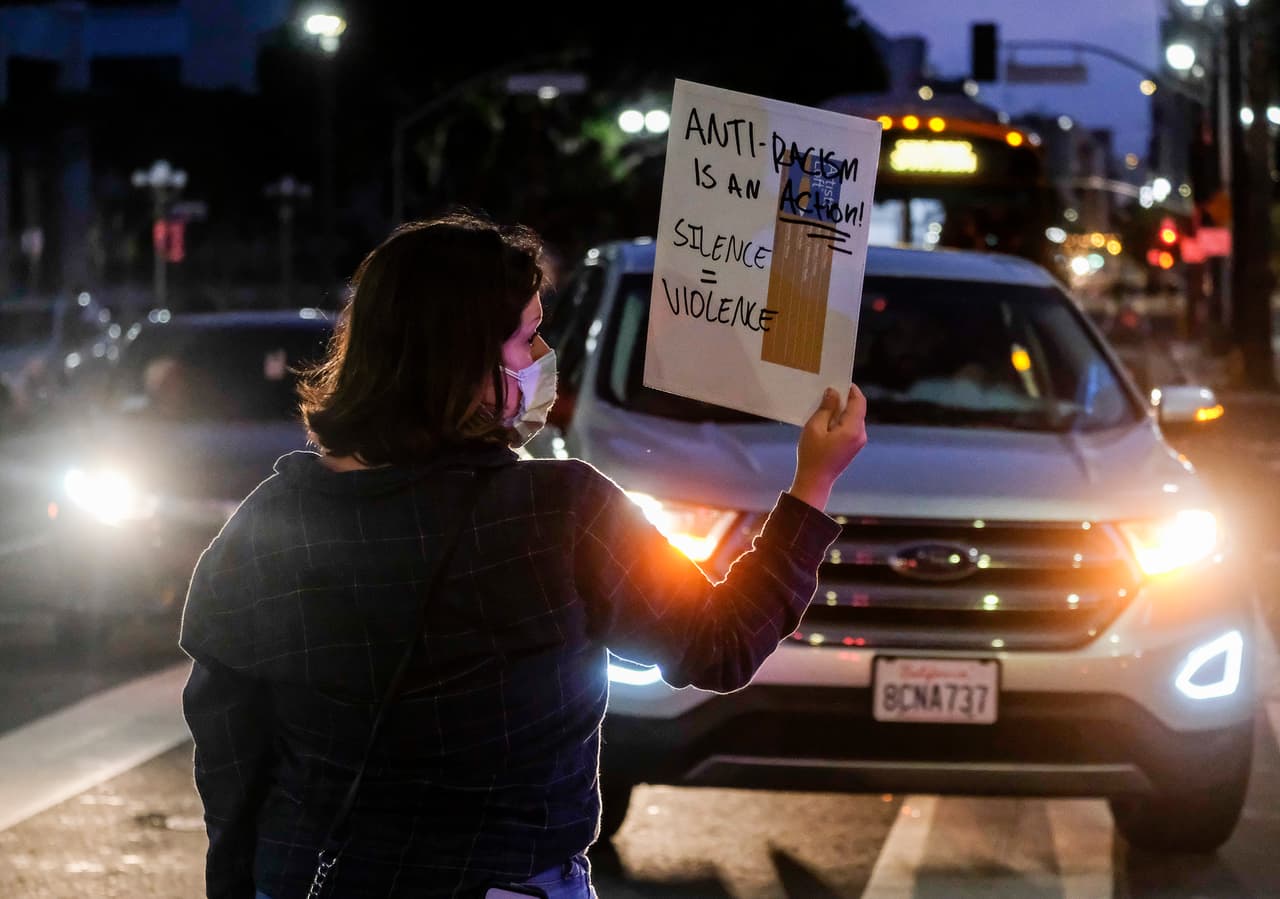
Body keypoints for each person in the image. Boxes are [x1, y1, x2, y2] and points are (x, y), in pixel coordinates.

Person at [179, 210, 867, 899]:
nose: (544, 355)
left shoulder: (272, 520)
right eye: (527, 335)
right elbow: (721, 642)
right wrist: (813, 484)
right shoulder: (560, 512)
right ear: (463, 361)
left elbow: (230, 753)